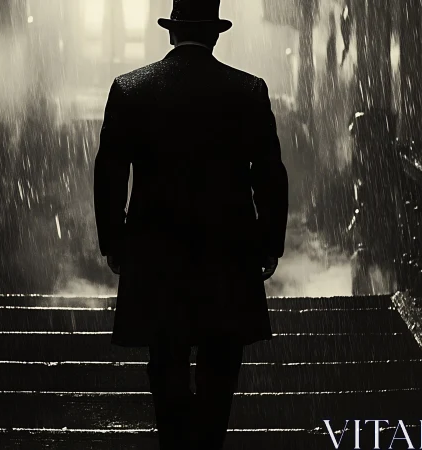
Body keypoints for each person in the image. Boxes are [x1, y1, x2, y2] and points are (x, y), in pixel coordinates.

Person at [93, 0, 288, 448]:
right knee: (221, 370)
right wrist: (268, 244)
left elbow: (109, 174)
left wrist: (115, 243)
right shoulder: (248, 91)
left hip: (157, 258)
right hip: (228, 257)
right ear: (216, 35)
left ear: (171, 32)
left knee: (166, 367)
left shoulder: (130, 90)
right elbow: (270, 178)